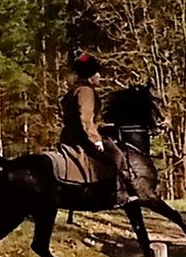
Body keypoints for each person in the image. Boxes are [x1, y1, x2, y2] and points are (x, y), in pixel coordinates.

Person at [58, 53, 139, 205]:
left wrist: (104, 126)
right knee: (118, 156)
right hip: (82, 137)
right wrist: (96, 140)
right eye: (97, 73)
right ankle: (120, 195)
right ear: (91, 75)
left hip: (71, 134)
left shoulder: (74, 89)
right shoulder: (86, 91)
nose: (100, 76)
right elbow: (85, 119)